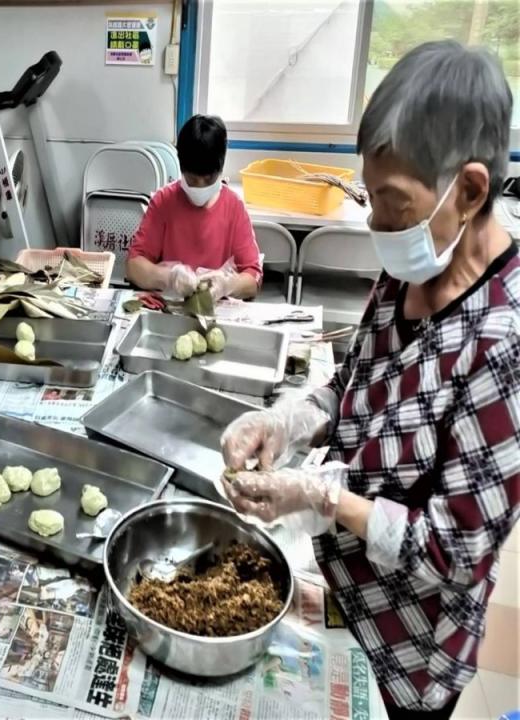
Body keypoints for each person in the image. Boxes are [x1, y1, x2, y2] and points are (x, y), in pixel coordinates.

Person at [220, 42, 518, 720]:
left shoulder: (504, 344)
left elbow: (455, 548)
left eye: (395, 203)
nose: (377, 224)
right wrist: (286, 421)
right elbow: (353, 386)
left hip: (410, 651)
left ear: (469, 190)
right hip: (340, 596)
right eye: (371, 196)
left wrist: (322, 497)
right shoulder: (407, 273)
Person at [126, 115, 262, 300]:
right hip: (170, 309)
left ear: (221, 169)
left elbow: (252, 278)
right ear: (181, 167)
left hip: (217, 312)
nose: (200, 186)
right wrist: (169, 276)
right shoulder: (163, 202)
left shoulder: (234, 207)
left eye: (208, 179)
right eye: (192, 179)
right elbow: (134, 266)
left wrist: (228, 284)